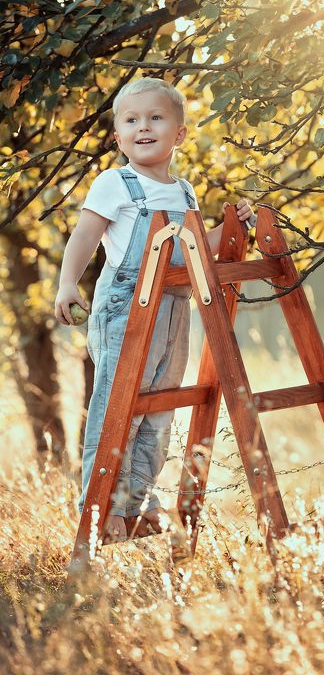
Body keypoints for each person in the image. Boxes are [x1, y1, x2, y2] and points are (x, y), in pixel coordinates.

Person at [54, 77, 256, 543]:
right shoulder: (114, 183)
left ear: (179, 133)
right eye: (131, 120)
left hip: (174, 307)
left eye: (155, 118)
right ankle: (99, 508)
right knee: (118, 407)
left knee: (158, 410)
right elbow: (84, 236)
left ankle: (132, 503)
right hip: (127, 306)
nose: (143, 127)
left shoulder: (184, 192)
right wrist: (68, 283)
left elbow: (195, 254)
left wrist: (230, 228)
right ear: (118, 135)